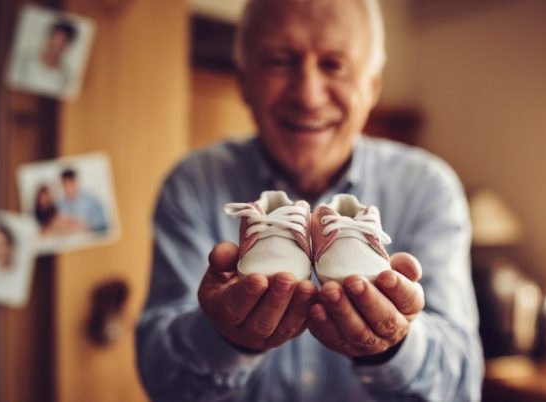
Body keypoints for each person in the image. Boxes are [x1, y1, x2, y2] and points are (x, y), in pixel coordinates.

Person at [136, 0, 483, 401]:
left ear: (372, 86)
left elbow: (462, 386)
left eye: (334, 64)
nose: (308, 95)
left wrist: (396, 346)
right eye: (279, 61)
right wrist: (224, 340)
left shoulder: (428, 186)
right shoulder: (192, 182)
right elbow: (161, 382)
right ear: (244, 81)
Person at [11, 18, 78, 96]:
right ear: (47, 38)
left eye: (60, 47)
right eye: (52, 45)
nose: (54, 51)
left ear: (68, 46)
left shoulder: (67, 78)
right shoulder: (22, 61)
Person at [57, 168, 108, 234]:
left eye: (70, 184)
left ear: (76, 183)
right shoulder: (59, 204)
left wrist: (88, 225)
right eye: (65, 184)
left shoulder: (92, 201)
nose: (68, 188)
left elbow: (103, 223)